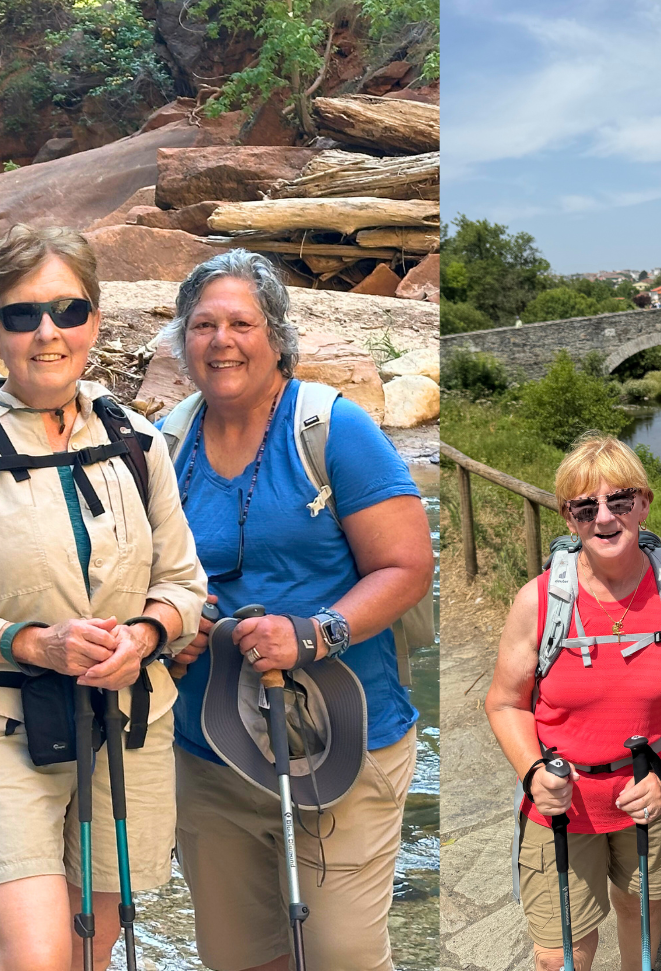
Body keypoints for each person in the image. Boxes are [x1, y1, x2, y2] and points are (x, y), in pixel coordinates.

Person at [0, 224, 206, 971]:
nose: (48, 333)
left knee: (94, 948)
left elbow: (184, 582)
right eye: (22, 315)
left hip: (128, 723)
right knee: (36, 955)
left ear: (95, 317)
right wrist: (33, 643)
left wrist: (146, 637)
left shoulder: (135, 440)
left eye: (68, 310)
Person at [158, 249, 435, 971]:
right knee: (239, 959)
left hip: (343, 741)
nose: (221, 341)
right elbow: (144, 580)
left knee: (340, 955)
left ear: (277, 337)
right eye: (203, 325)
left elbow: (408, 567)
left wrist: (312, 634)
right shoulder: (165, 444)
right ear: (183, 340)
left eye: (241, 324)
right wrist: (170, 626)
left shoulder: (333, 430)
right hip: (210, 749)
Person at [485, 434, 661, 971]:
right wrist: (532, 773)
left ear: (644, 503)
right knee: (558, 953)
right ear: (569, 518)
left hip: (651, 797)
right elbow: (506, 703)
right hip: (562, 805)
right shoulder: (538, 601)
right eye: (585, 507)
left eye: (620, 501)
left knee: (639, 913)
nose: (604, 518)